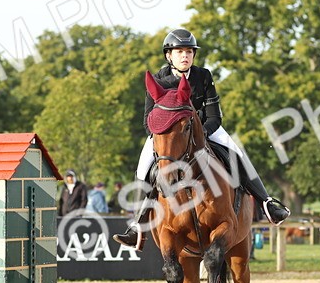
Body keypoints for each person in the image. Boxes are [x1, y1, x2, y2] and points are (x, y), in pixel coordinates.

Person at [113, 28, 289, 250]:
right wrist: (166, 135)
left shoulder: (203, 76)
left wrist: (200, 135)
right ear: (169, 55)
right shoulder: (159, 80)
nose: (185, 56)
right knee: (143, 168)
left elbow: (215, 116)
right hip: (167, 137)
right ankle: (137, 225)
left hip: (205, 131)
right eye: (179, 51)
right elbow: (148, 120)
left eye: (189, 51)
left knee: (237, 152)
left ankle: (266, 202)